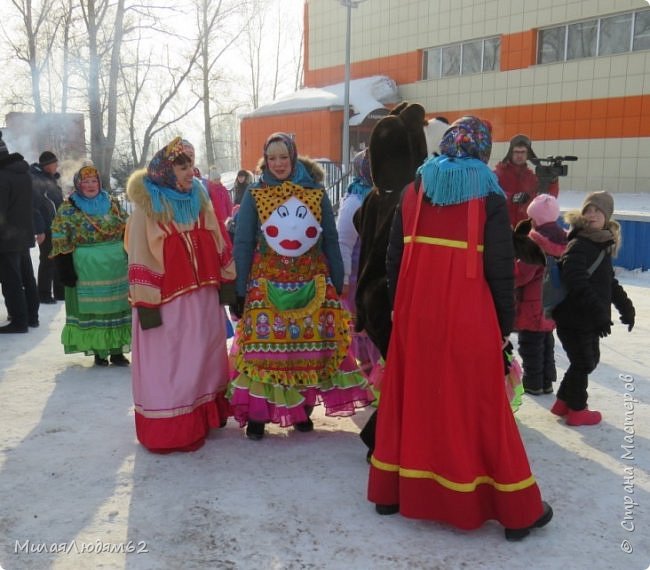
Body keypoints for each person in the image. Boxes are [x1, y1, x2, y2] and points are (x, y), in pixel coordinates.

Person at [368, 116, 553, 541]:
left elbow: (393, 258)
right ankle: (514, 509)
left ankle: (392, 492)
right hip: (468, 314)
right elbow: (499, 268)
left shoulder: (415, 190)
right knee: (481, 405)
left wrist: (400, 307)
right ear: (483, 152)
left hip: (416, 313)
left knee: (412, 397)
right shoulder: (487, 194)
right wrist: (503, 323)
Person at [229, 132, 372, 440]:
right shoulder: (254, 194)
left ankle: (301, 410)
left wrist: (338, 278)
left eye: (283, 157)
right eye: (272, 158)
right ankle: (259, 414)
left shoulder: (316, 192)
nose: (278, 163)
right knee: (264, 349)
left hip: (312, 283)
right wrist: (238, 289)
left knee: (305, 348)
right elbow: (242, 242)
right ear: (265, 161)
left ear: (293, 157)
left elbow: (330, 240)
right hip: (265, 284)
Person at [125, 137, 236, 453]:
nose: (190, 171)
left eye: (190, 164)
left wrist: (228, 281)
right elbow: (141, 257)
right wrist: (147, 305)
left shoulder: (200, 199)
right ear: (165, 170)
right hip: (167, 303)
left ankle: (204, 418)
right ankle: (173, 430)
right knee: (173, 366)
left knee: (204, 359)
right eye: (181, 166)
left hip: (203, 299)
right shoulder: (148, 209)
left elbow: (219, 241)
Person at [550, 191, 635, 426]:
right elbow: (575, 280)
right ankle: (577, 409)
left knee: (585, 360)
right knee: (585, 361)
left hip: (585, 317)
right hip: (574, 317)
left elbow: (608, 281)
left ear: (607, 216)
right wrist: (599, 312)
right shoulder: (580, 243)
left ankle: (563, 403)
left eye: (598, 210)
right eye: (588, 210)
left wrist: (626, 308)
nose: (592, 214)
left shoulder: (600, 243)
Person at [50, 165, 131, 365]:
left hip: (116, 266)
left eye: (94, 181)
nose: (90, 185)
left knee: (117, 308)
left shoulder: (112, 203)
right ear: (78, 184)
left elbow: (127, 228)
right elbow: (59, 237)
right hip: (87, 268)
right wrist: (65, 269)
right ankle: (99, 352)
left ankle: (117, 351)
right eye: (85, 182)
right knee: (95, 311)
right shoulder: (68, 208)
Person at [513, 194, 567, 395]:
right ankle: (546, 381)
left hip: (532, 303)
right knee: (547, 343)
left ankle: (533, 383)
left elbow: (521, 275)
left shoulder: (534, 243)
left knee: (530, 345)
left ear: (536, 219)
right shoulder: (563, 240)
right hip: (553, 302)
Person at [336, 149, 381, 376]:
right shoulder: (355, 201)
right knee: (362, 331)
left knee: (375, 330)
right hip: (356, 278)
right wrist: (343, 279)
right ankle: (368, 380)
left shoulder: (381, 195)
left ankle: (376, 379)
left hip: (375, 275)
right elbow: (343, 242)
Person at [0, 131, 40, 333]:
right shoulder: (23, 173)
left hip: (6, 240)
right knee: (26, 277)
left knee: (11, 280)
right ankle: (32, 316)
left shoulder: (2, 177)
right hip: (24, 235)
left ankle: (19, 321)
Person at [495, 134, 559, 227]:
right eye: (516, 152)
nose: (519, 155)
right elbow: (491, 194)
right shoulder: (498, 174)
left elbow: (547, 199)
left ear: (528, 154)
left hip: (524, 230)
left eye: (523, 152)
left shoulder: (532, 178)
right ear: (510, 153)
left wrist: (553, 181)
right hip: (502, 227)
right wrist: (512, 197)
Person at [30, 151, 65, 303]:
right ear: (47, 165)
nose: (57, 165)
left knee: (58, 259)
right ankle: (43, 294)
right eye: (54, 163)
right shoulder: (37, 180)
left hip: (57, 226)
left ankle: (59, 292)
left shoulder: (50, 179)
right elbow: (35, 207)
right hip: (47, 227)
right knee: (47, 260)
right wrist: (40, 230)